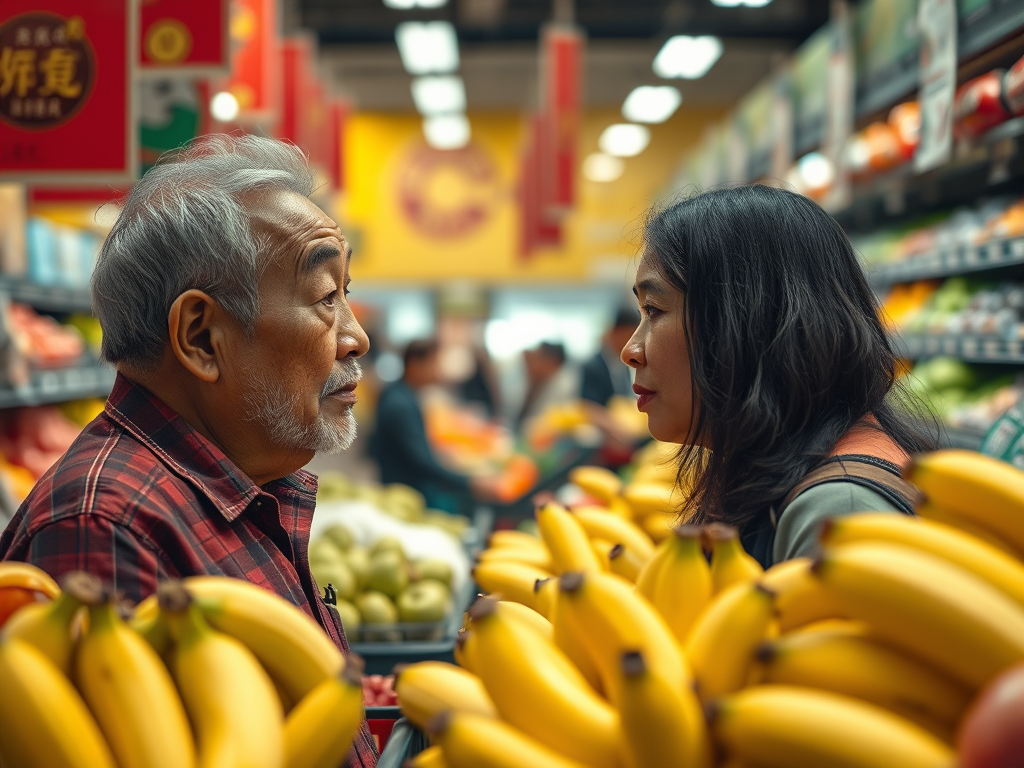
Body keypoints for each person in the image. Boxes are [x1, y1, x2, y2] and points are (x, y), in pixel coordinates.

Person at [0, 135, 377, 766]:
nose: (356, 337)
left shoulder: (242, 487)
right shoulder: (109, 528)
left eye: (346, 294)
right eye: (324, 299)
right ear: (201, 336)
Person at [622, 185, 937, 567]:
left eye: (653, 310)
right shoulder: (793, 480)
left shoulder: (838, 516)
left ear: (745, 322)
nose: (631, 351)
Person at [369, 339, 496, 513]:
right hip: (408, 497)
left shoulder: (401, 395)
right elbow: (422, 462)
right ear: (415, 365)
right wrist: (470, 483)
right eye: (434, 363)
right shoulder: (400, 405)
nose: (439, 371)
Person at [514, 341, 578, 432]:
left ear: (554, 362)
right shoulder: (535, 377)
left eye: (537, 358)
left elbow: (545, 424)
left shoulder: (564, 385)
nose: (533, 362)